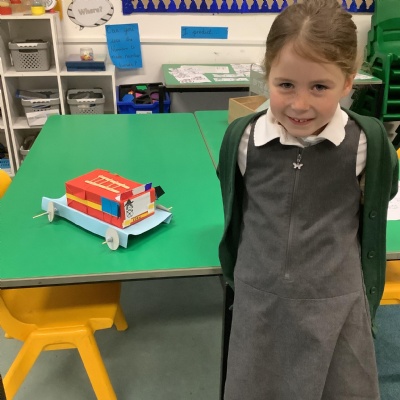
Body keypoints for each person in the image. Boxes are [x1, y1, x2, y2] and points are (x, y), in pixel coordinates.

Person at [217, 0, 399, 399]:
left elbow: (382, 192)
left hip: (336, 299)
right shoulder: (243, 139)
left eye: (319, 87)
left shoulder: (367, 144)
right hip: (259, 296)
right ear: (267, 76)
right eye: (285, 85)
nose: (300, 105)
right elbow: (236, 200)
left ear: (348, 82)